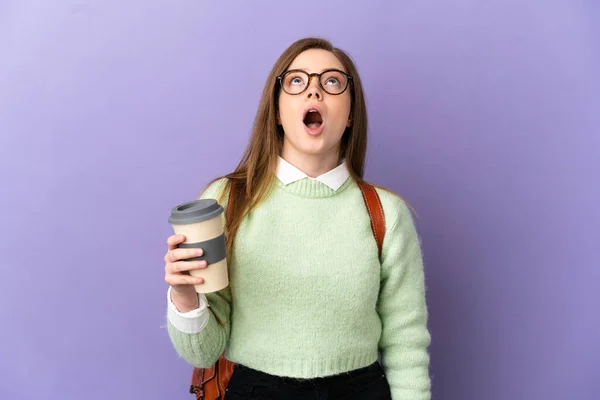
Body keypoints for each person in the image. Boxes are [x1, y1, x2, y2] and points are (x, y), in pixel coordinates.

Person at [163, 37, 431, 400]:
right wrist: (184, 295)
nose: (314, 92)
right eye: (297, 81)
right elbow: (203, 352)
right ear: (277, 109)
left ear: (351, 112)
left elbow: (407, 343)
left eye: (332, 82)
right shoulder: (226, 202)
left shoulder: (385, 213)